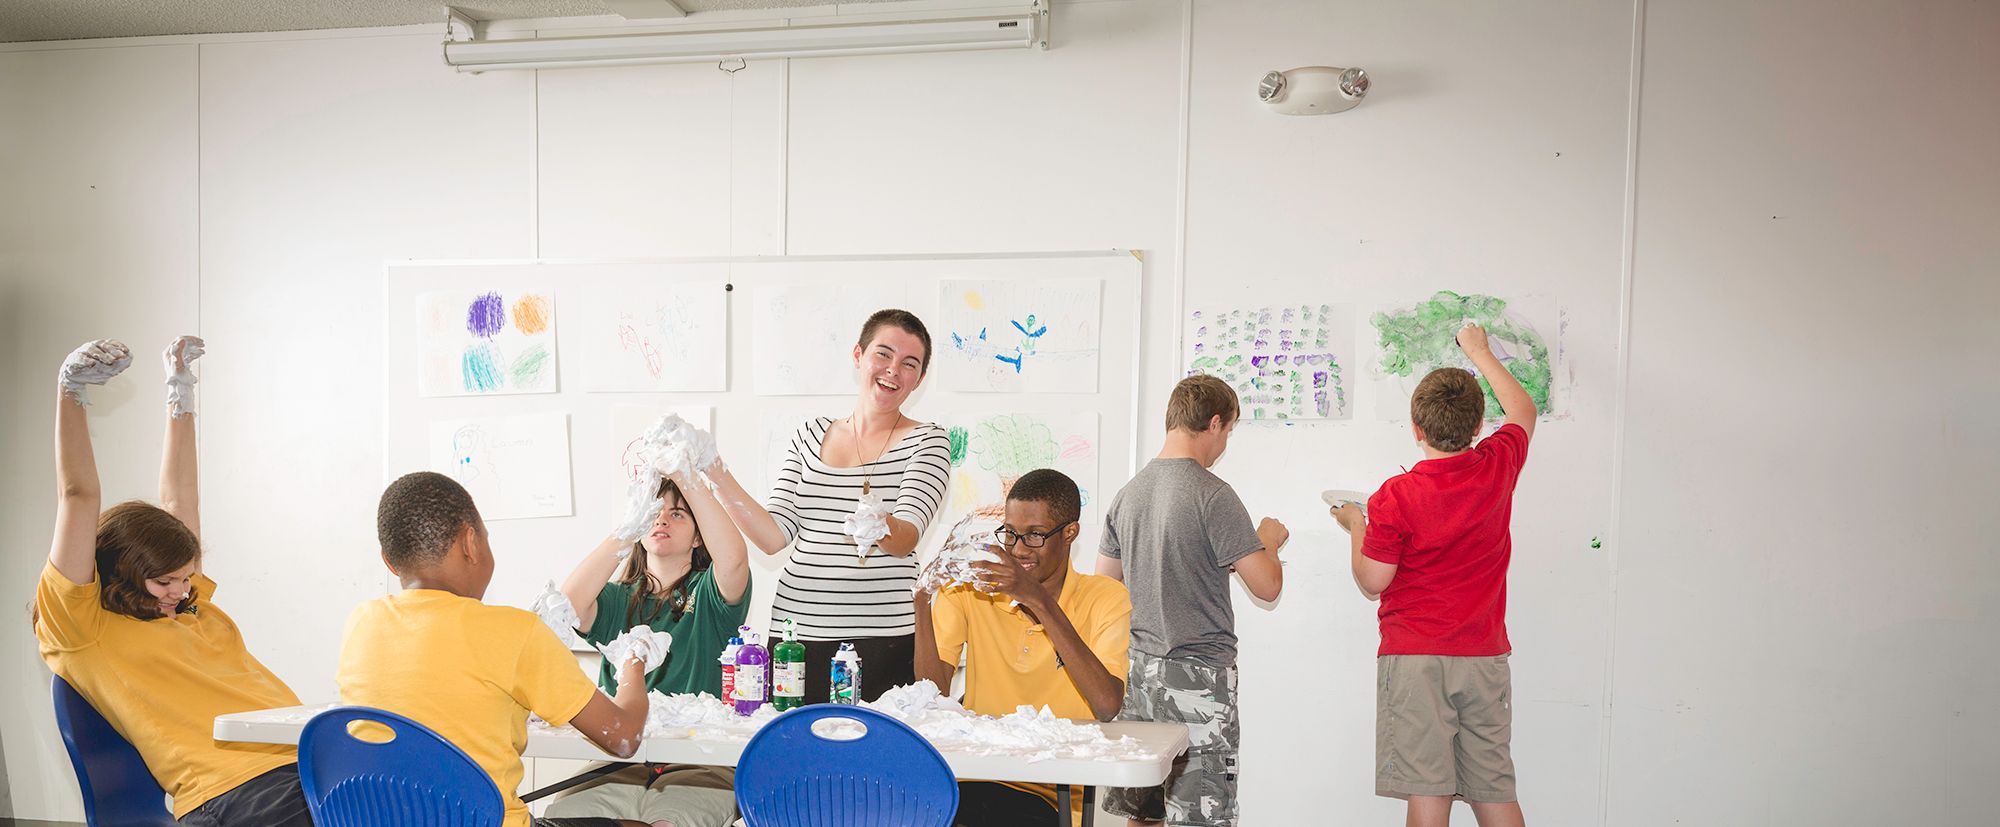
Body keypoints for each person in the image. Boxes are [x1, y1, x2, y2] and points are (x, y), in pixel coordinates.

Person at [33, 336, 314, 826]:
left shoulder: (185, 605)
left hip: (310, 765)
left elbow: (181, 500)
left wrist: (180, 394)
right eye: (165, 581)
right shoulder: (84, 629)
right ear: (122, 571)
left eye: (186, 577)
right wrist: (70, 391)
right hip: (237, 793)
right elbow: (78, 495)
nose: (183, 590)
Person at [338, 471, 654, 827]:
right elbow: (624, 737)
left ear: (389, 562)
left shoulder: (361, 623)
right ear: (470, 543)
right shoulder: (514, 631)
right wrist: (634, 660)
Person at [1331, 323, 1534, 827]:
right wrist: (1481, 352)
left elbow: (1374, 580)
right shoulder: (1496, 465)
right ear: (1478, 425)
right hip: (1484, 656)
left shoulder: (1394, 497)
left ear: (1416, 429)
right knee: (1493, 791)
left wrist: (1357, 525)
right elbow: (1524, 411)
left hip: (1416, 656)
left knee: (1428, 794)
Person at [707, 309, 952, 703]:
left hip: (883, 638)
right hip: (796, 637)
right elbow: (773, 536)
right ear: (858, 355)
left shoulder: (928, 441)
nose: (893, 370)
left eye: (909, 364)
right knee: (797, 755)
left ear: (919, 380)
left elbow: (905, 538)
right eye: (883, 354)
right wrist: (715, 472)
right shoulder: (810, 434)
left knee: (872, 758)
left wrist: (879, 522)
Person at [1096, 374, 1290, 827]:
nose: (1224, 445)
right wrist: (1269, 542)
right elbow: (1267, 586)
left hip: (1140, 675)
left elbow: (1105, 587)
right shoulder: (1212, 494)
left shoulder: (1129, 495)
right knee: (1200, 815)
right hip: (1199, 679)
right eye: (1228, 433)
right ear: (1215, 423)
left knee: (1143, 812)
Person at [543, 434, 750, 827]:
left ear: (697, 536)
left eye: (678, 514)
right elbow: (567, 605)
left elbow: (735, 558)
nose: (661, 519)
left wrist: (685, 476)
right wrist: (624, 530)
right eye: (654, 511)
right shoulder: (618, 598)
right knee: (563, 819)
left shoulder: (710, 594)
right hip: (617, 762)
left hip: (700, 763)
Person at [914, 469, 1130, 826]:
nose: (1017, 549)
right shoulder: (972, 591)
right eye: (1010, 534)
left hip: (1050, 793)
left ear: (1070, 533)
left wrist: (1037, 599)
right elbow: (931, 693)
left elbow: (1106, 705)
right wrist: (922, 600)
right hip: (972, 777)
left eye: (1034, 536)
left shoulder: (1105, 597)